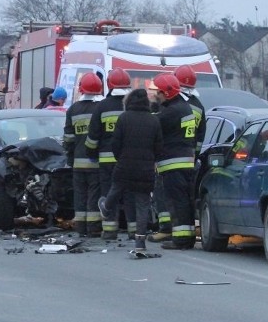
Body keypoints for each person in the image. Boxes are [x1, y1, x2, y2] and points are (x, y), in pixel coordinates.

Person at [98, 89, 162, 252]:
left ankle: (106, 208)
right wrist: (151, 160)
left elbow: (115, 143)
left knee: (116, 188)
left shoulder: (124, 118)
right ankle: (140, 241)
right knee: (142, 204)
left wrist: (120, 157)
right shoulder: (153, 121)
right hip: (145, 169)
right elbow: (159, 146)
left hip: (125, 165)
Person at [151, 73, 198, 250]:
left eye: (159, 92)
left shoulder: (170, 112)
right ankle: (187, 237)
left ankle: (181, 240)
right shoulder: (184, 108)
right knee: (184, 201)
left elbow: (153, 125)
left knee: (176, 202)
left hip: (173, 163)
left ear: (167, 93)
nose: (156, 95)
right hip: (185, 161)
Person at [85, 69, 132, 239]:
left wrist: (91, 153)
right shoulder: (132, 106)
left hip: (106, 161)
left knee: (108, 193)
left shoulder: (102, 106)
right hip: (128, 160)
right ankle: (133, 230)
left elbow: (93, 137)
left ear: (109, 84)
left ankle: (110, 230)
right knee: (129, 193)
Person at [63, 73, 102, 236]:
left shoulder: (73, 109)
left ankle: (80, 228)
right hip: (96, 162)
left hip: (78, 163)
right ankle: (93, 228)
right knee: (94, 195)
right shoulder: (100, 108)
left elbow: (69, 138)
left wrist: (69, 157)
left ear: (81, 89)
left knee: (80, 195)